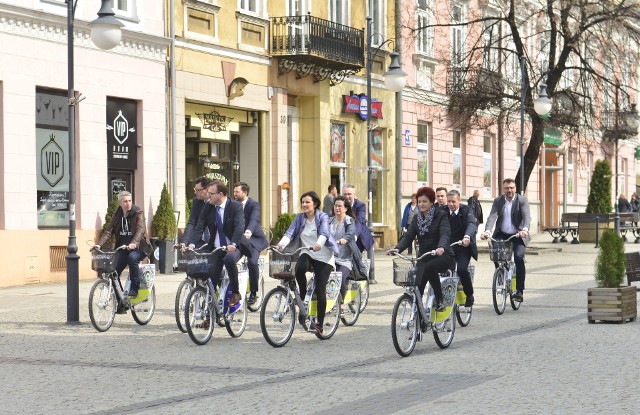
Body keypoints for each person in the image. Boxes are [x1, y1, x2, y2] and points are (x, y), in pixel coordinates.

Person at [276, 191, 340, 336]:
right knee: (299, 269)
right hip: (307, 251)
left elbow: (324, 232)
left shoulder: (322, 216)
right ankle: (303, 296)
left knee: (320, 289)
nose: (304, 205)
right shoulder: (299, 218)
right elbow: (289, 233)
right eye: (302, 202)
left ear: (315, 204)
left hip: (323, 255)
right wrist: (280, 245)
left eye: (307, 202)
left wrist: (318, 244)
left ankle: (320, 324)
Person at [388, 186, 454, 312]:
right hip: (424, 255)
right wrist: (397, 248)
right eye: (419, 201)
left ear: (431, 202)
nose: (421, 204)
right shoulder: (417, 218)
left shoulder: (441, 215)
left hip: (443, 255)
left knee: (430, 268)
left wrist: (441, 247)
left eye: (424, 201)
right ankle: (419, 319)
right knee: (417, 287)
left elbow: (445, 233)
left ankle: (440, 300)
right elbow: (409, 236)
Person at [189, 180, 245, 307]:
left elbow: (239, 227)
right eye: (208, 193)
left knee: (229, 260)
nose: (208, 196)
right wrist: (191, 244)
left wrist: (234, 244)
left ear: (221, 194)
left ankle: (235, 292)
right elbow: (199, 227)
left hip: (234, 247)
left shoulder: (235, 206)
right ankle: (210, 313)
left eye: (211, 194)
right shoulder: (208, 206)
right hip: (216, 248)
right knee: (211, 280)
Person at [95, 191, 153, 301]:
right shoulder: (118, 215)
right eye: (125, 201)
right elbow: (109, 231)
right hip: (123, 248)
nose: (128, 203)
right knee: (114, 273)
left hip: (140, 247)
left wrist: (134, 243)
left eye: (130, 201)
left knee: (132, 258)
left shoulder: (138, 213)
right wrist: (98, 244)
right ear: (120, 203)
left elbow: (141, 230)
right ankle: (120, 301)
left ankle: (135, 288)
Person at [481, 178, 530, 302]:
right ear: (503, 189)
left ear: (515, 188)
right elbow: (492, 216)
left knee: (518, 258)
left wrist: (524, 229)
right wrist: (487, 231)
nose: (509, 190)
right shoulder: (498, 200)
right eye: (507, 188)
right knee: (496, 255)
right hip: (502, 234)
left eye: (512, 187)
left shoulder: (522, 200)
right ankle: (501, 274)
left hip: (518, 234)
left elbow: (526, 216)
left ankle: (519, 291)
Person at [232, 182, 269, 305]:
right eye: (234, 191)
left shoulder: (253, 204)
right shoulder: (232, 205)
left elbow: (254, 219)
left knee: (252, 262)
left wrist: (248, 231)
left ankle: (253, 292)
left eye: (237, 192)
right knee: (229, 260)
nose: (234, 194)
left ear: (245, 193)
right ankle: (233, 291)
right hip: (238, 240)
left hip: (253, 239)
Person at [442, 189, 477, 307]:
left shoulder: (467, 210)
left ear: (459, 201)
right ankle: (445, 299)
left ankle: (469, 294)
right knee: (447, 272)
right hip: (448, 248)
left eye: (453, 202)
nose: (451, 204)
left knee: (462, 269)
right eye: (449, 202)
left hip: (463, 247)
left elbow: (471, 224)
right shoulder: (442, 211)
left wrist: (467, 237)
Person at [329, 195, 366, 299]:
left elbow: (350, 232)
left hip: (345, 259)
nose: (337, 208)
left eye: (340, 206)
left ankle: (341, 306)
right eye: (336, 206)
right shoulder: (329, 221)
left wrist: (344, 239)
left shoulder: (349, 220)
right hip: (331, 257)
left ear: (345, 208)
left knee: (339, 278)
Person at [341, 184, 374, 254]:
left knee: (355, 258)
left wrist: (355, 235)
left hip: (359, 237)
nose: (347, 197)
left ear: (354, 195)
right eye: (344, 194)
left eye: (349, 194)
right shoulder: (339, 205)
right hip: (343, 236)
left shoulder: (360, 205)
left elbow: (360, 222)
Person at [181, 176, 211, 247]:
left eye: (198, 190)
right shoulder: (196, 201)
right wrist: (184, 242)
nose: (195, 192)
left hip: (216, 244)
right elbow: (192, 222)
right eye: (195, 189)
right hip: (200, 242)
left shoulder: (217, 202)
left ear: (206, 190)